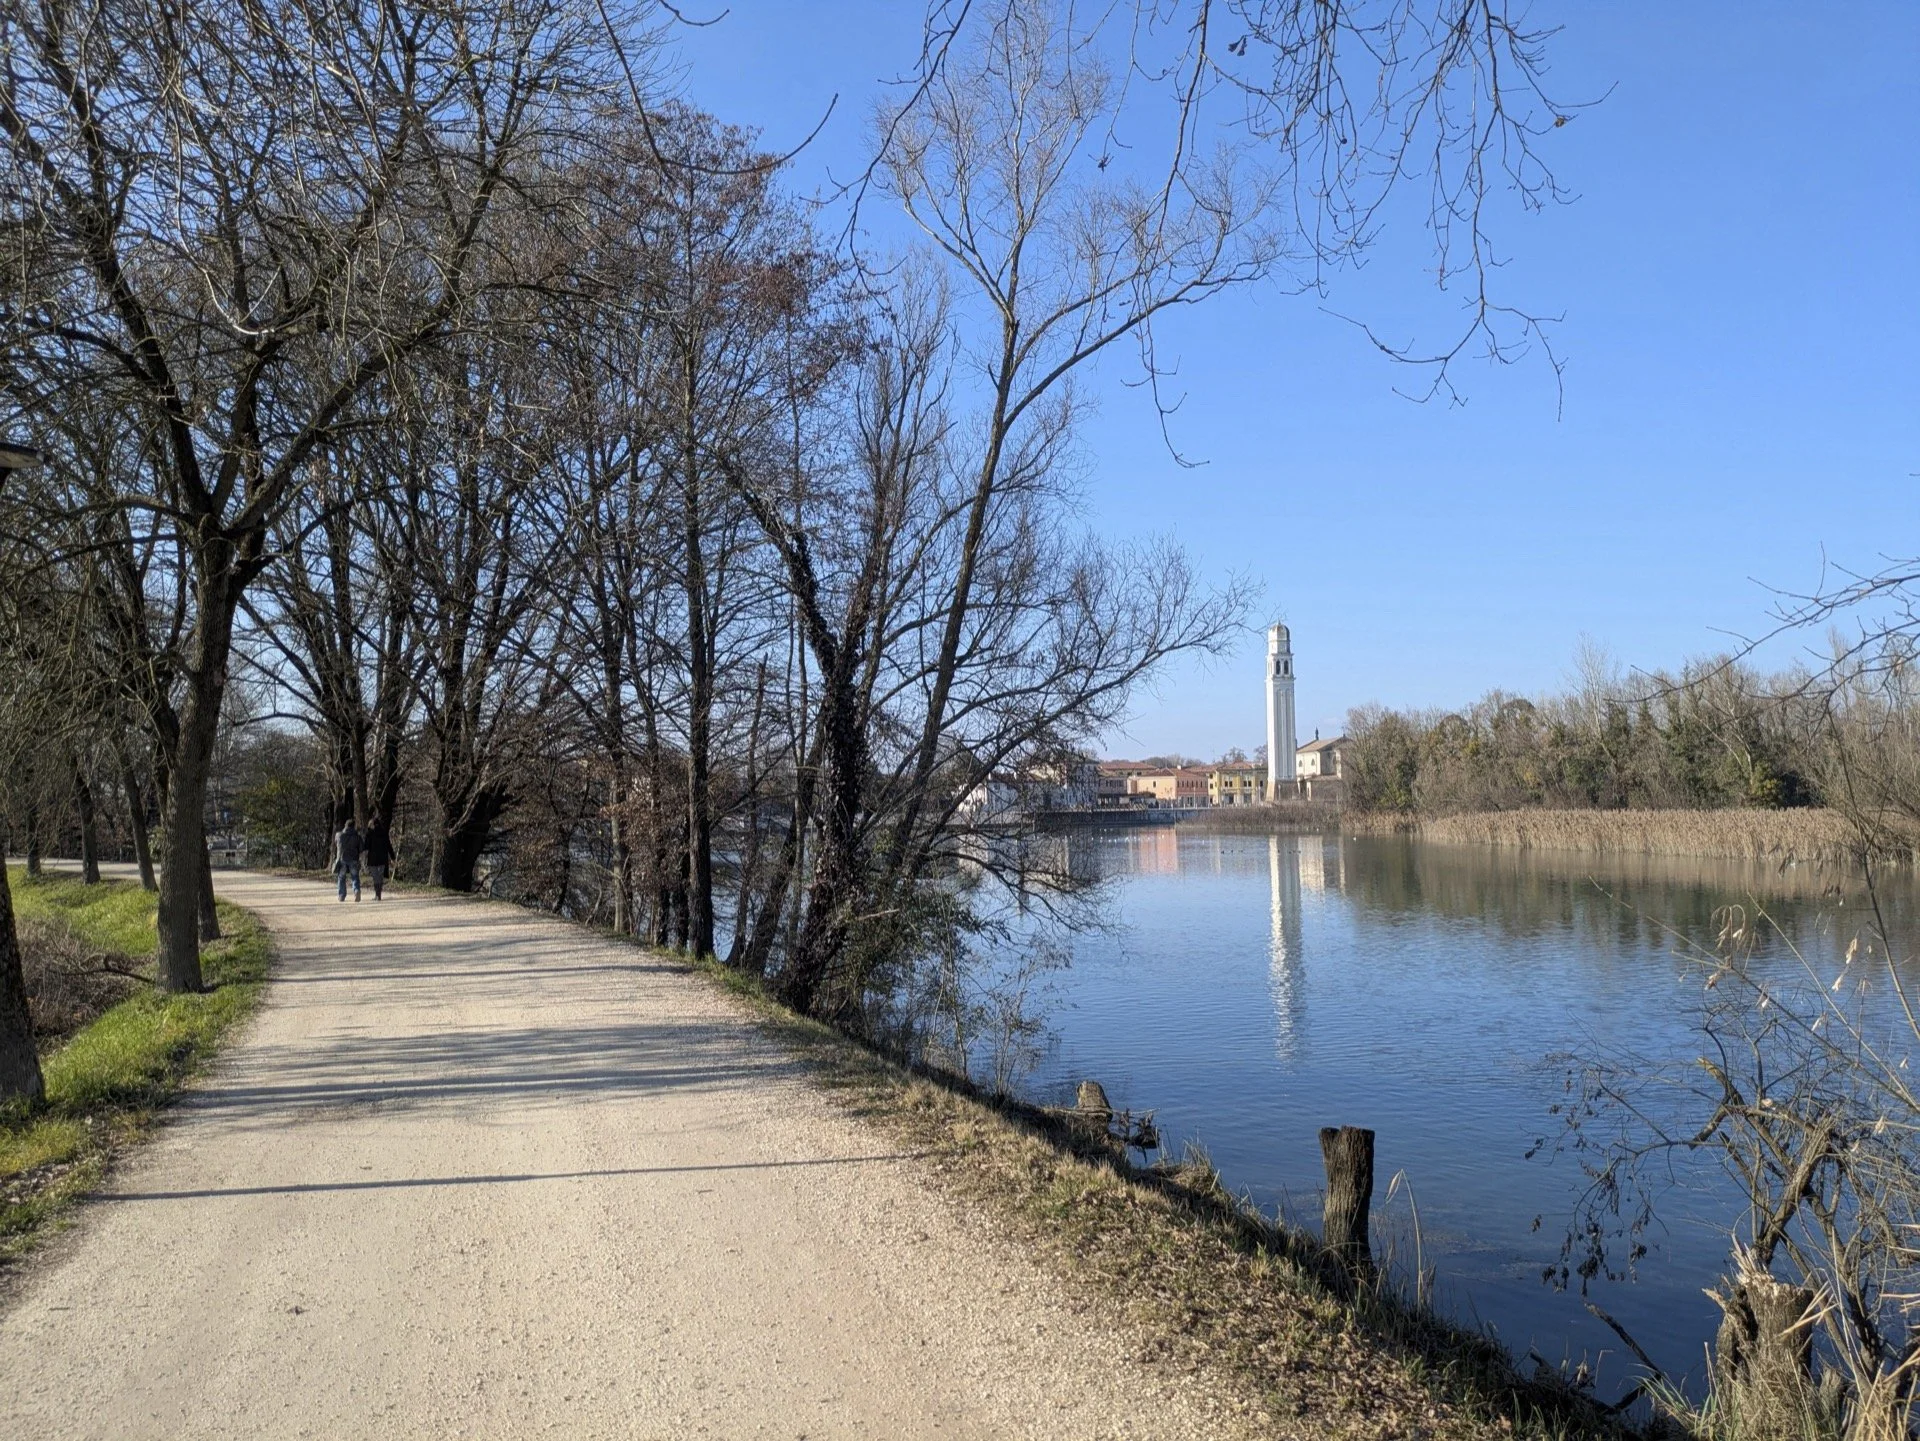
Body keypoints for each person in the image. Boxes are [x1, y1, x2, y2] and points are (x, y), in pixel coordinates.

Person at [364, 814, 395, 901]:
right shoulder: (384, 833)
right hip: (382, 858)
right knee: (380, 876)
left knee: (375, 877)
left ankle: (377, 894)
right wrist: (393, 857)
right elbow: (389, 846)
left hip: (373, 858)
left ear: (372, 825)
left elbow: (366, 846)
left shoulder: (369, 834)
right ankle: (379, 894)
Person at [333, 818, 363, 903]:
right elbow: (361, 848)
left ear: (345, 825)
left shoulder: (339, 835)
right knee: (355, 876)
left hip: (342, 858)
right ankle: (356, 890)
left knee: (341, 877)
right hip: (354, 858)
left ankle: (341, 895)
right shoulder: (357, 836)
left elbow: (336, 844)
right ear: (354, 826)